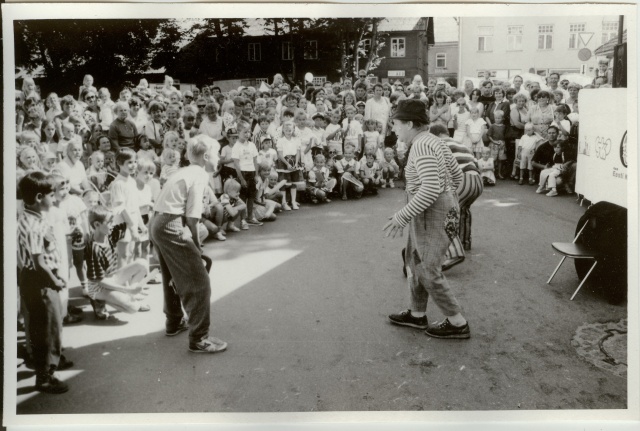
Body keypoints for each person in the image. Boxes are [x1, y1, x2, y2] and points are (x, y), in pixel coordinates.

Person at [384, 99, 469, 339]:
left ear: (410, 123)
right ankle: (417, 314)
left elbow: (430, 188)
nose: (394, 129)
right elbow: (457, 175)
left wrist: (402, 215)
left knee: (428, 268)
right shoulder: (434, 141)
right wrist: (448, 200)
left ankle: (457, 322)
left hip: (430, 212)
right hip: (433, 210)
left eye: (397, 124)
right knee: (415, 261)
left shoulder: (421, 145)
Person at [150, 135, 227, 353]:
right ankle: (199, 338)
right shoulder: (200, 175)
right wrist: (197, 247)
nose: (219, 157)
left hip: (158, 222)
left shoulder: (184, 171)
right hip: (171, 224)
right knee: (199, 282)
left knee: (171, 276)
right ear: (206, 156)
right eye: (217, 153)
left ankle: (174, 321)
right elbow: (193, 218)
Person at [18, 172, 71, 393]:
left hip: (42, 279)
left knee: (52, 324)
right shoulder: (32, 225)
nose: (55, 198)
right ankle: (45, 376)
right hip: (40, 281)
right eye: (51, 194)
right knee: (47, 328)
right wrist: (55, 281)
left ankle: (52, 361)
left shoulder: (36, 218)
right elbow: (38, 262)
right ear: (39, 197)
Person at [84, 205, 151, 316]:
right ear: (97, 224)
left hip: (112, 277)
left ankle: (129, 296)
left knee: (143, 264)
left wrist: (123, 208)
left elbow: (130, 223)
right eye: (109, 222)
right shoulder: (94, 249)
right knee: (133, 308)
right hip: (98, 287)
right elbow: (100, 281)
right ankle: (98, 301)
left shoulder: (108, 234)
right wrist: (126, 290)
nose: (112, 225)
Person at [232, 120, 263, 226]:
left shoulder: (252, 145)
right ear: (238, 132)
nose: (247, 134)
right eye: (244, 132)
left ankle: (250, 217)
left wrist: (256, 175)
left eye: (248, 132)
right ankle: (242, 220)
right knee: (242, 198)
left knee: (251, 197)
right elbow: (236, 164)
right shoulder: (236, 146)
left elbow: (255, 161)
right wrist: (241, 179)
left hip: (252, 173)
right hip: (243, 174)